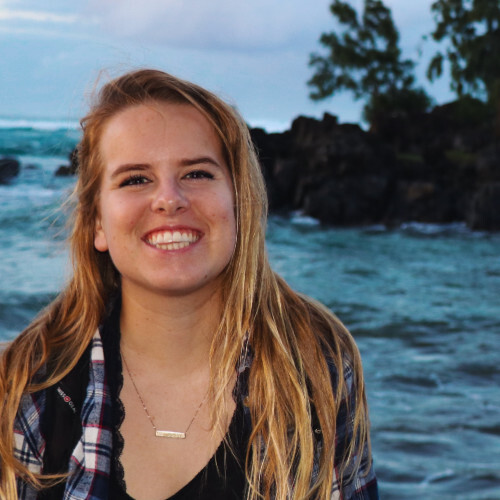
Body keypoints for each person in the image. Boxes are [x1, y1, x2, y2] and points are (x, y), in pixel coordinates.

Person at [0, 69, 378, 500]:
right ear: (97, 223)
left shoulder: (314, 362)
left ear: (240, 202)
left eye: (197, 173)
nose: (170, 199)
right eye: (135, 179)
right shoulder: (31, 384)